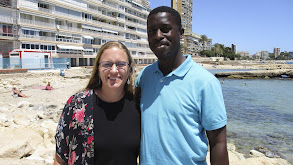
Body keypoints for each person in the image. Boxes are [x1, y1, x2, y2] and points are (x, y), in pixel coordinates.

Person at [135, 6, 229, 165]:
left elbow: (218, 142)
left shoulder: (205, 82)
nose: (158, 36)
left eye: (165, 29)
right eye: (152, 31)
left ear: (181, 33)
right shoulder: (144, 76)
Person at [54, 41, 140, 165]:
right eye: (107, 64)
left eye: (121, 64)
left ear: (130, 69)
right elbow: (60, 157)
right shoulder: (77, 105)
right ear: (98, 69)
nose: (114, 70)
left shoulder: (139, 105)